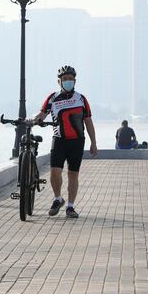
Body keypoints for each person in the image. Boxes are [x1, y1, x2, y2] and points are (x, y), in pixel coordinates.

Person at [32, 65, 97, 219]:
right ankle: (57, 199)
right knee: (55, 172)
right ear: (59, 81)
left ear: (75, 81)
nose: (68, 81)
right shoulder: (53, 98)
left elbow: (88, 121)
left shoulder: (81, 99)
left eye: (71, 79)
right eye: (65, 79)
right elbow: (42, 114)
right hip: (59, 140)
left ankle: (70, 207)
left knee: (73, 174)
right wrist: (34, 120)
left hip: (77, 141)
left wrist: (93, 142)